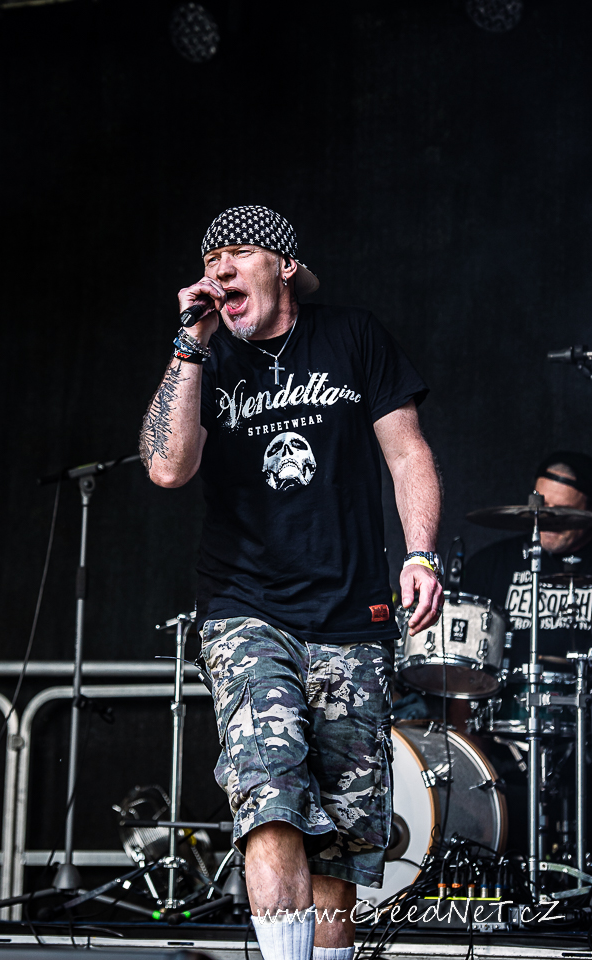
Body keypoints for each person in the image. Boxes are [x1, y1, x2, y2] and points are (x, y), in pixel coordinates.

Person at [139, 206, 443, 960]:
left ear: (283, 265)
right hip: (246, 609)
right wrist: (188, 344)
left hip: (351, 616)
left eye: (238, 252)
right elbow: (166, 467)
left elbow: (407, 453)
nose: (220, 268)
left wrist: (420, 555)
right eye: (210, 258)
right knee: (268, 798)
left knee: (341, 843)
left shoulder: (352, 336)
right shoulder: (204, 358)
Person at [464, 451, 592, 669]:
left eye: (564, 510)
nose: (548, 518)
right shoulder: (489, 564)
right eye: (542, 506)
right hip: (506, 689)